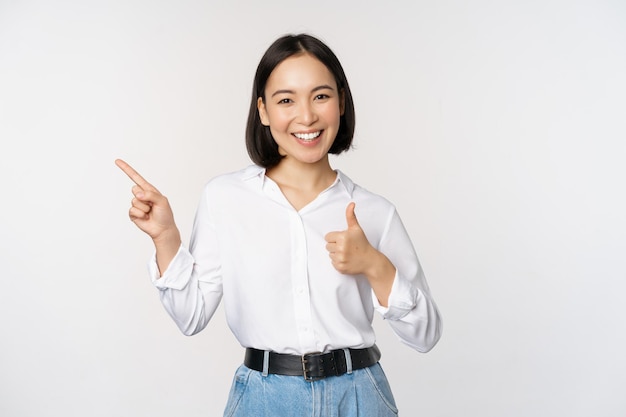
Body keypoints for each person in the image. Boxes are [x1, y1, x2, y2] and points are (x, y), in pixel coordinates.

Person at [116, 33, 442, 417]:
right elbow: (191, 317)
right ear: (264, 111)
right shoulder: (225, 197)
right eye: (286, 100)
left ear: (340, 103)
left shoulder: (374, 211)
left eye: (321, 96)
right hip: (263, 400)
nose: (306, 116)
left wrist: (374, 265)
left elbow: (426, 335)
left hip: (359, 397)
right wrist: (166, 237)